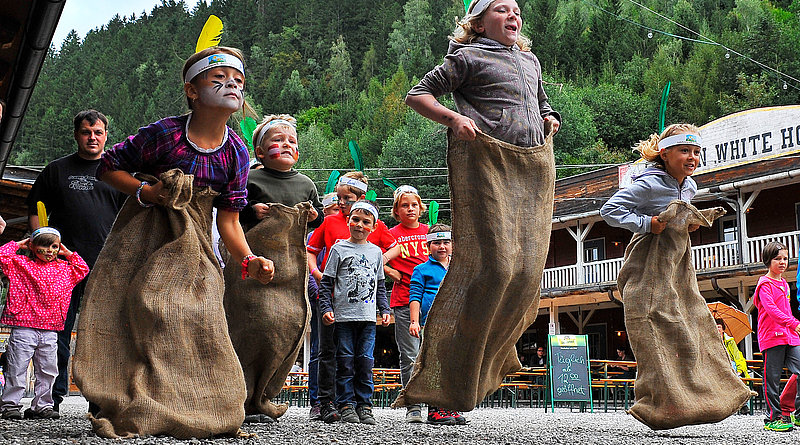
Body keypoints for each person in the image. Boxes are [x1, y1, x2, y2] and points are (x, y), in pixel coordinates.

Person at [78, 46, 274, 438]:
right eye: (218, 79)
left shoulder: (236, 151)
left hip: (194, 240)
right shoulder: (163, 134)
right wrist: (145, 192)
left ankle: (183, 400)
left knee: (197, 312)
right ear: (192, 90)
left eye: (237, 81)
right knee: (134, 307)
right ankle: (114, 392)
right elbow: (108, 167)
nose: (231, 86)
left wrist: (249, 258)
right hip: (144, 234)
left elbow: (230, 219)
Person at [25, 109, 126, 412]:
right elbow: (36, 209)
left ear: (107, 135)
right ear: (76, 135)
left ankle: (100, 403)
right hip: (60, 267)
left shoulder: (118, 173)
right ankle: (49, 400)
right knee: (57, 332)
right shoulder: (56, 170)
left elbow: (130, 218)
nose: (92, 137)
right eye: (86, 132)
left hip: (106, 265)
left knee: (103, 333)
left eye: (97, 132)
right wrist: (41, 244)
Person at [306, 172, 397, 423]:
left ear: (374, 226)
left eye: (365, 221)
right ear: (349, 222)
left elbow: (380, 282)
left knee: (364, 360)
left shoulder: (376, 249)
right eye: (355, 219)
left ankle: (363, 404)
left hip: (366, 316)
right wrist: (324, 300)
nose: (359, 224)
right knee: (336, 357)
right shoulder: (336, 241)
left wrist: (384, 308)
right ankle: (335, 403)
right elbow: (322, 271)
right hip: (340, 312)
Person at [405, 0, 560, 146]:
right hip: (488, 157)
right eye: (502, 10)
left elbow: (541, 103)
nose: (513, 15)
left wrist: (550, 118)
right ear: (479, 24)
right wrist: (454, 120)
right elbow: (417, 95)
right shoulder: (468, 58)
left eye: (517, 13)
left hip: (535, 158)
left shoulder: (530, 60)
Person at [0, 228, 88, 420]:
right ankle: (9, 405)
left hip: (50, 329)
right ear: (32, 246)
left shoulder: (64, 269)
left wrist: (68, 253)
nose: (49, 250)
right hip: (24, 326)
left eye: (54, 246)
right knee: (17, 367)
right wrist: (18, 245)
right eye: (44, 245)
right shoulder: (20, 264)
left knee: (48, 370)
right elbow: (1, 255)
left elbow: (83, 268)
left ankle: (42, 406)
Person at [408, 223, 468, 425]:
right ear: (428, 246)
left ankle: (449, 405)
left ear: (452, 245)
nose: (442, 247)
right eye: (436, 243)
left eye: (446, 242)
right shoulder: (421, 270)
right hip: (431, 324)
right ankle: (434, 409)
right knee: (434, 366)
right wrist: (414, 321)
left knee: (452, 366)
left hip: (455, 325)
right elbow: (415, 296)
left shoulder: (458, 268)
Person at [383, 185, 429, 423]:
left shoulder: (429, 231)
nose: (410, 209)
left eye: (413, 205)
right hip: (403, 299)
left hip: (432, 300)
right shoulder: (391, 234)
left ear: (421, 208)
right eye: (404, 205)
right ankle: (414, 404)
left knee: (433, 352)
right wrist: (393, 273)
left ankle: (436, 403)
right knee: (410, 353)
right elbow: (374, 257)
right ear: (396, 211)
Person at [239, 114, 323, 230]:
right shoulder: (248, 178)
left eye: (292, 141)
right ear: (260, 152)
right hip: (253, 246)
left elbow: (320, 214)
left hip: (293, 247)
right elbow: (231, 209)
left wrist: (315, 217)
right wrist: (251, 211)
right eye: (278, 140)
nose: (287, 144)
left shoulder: (306, 184)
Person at [753, 241, 800, 432]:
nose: (782, 262)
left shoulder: (784, 284)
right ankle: (773, 418)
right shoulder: (764, 284)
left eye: (785, 259)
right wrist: (794, 323)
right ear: (767, 260)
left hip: (790, 336)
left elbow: (786, 310)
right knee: (771, 379)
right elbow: (772, 310)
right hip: (772, 336)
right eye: (777, 258)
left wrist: (793, 325)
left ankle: (797, 414)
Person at [307, 192, 339, 421]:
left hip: (347, 301)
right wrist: (319, 287)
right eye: (334, 208)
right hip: (321, 297)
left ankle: (341, 399)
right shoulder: (317, 233)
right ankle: (317, 400)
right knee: (320, 348)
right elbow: (309, 265)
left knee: (344, 349)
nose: (338, 212)